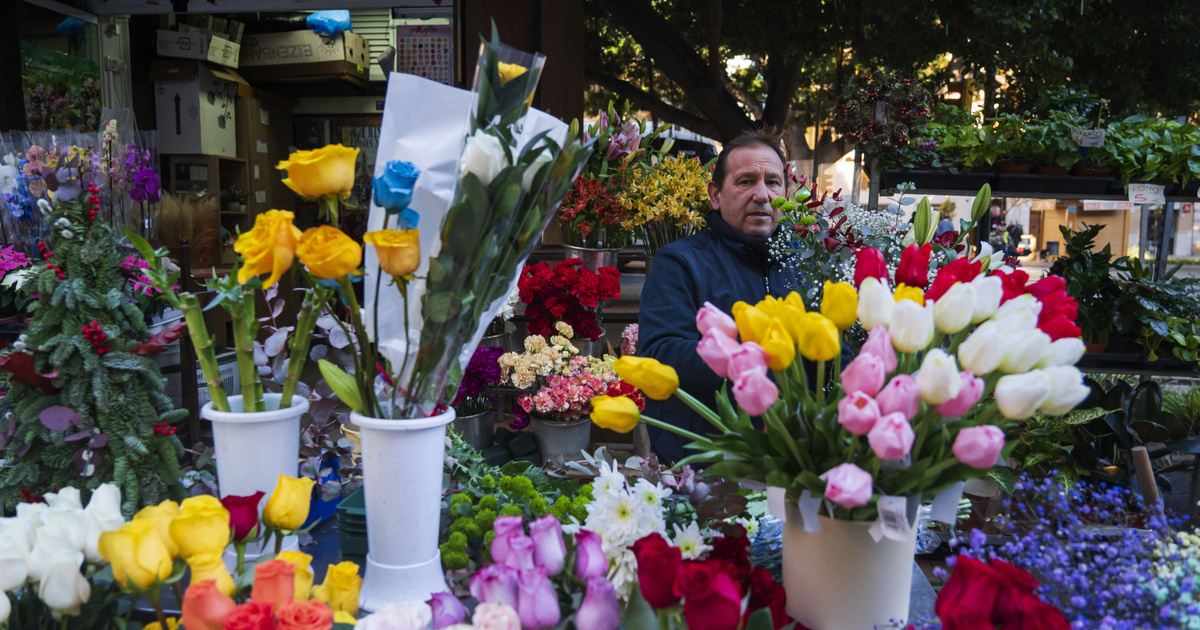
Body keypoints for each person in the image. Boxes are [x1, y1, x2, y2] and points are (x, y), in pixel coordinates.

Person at [636, 128, 803, 463]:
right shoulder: (681, 262)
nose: (762, 194)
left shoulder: (808, 262)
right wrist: (752, 349)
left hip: (797, 455)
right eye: (745, 181)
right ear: (715, 195)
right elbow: (660, 355)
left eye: (773, 182)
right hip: (708, 460)